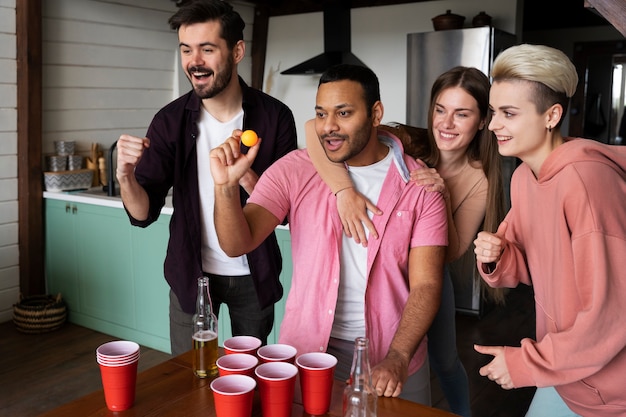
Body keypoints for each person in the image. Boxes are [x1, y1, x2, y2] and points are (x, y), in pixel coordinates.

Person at [210, 64, 448, 404]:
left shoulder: (420, 184)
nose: (329, 126)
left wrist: (398, 356)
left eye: (344, 113)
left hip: (394, 360)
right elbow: (236, 244)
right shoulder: (294, 169)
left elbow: (427, 284)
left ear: (375, 113)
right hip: (308, 357)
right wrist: (225, 187)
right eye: (321, 114)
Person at [305, 66, 506, 417]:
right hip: (383, 259)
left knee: (443, 360)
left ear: (482, 122)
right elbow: (313, 130)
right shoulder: (410, 141)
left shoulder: (480, 178)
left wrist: (440, 195)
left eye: (462, 114)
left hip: (429, 271)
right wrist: (343, 192)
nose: (447, 123)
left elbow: (453, 252)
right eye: (440, 110)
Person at [115, 0, 297, 356]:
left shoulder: (276, 118)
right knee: (190, 383)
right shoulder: (169, 122)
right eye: (186, 49)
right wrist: (124, 176)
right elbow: (142, 213)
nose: (194, 61)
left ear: (237, 51)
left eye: (207, 49)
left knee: (250, 382)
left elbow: (288, 209)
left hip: (254, 276)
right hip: (191, 276)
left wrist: (243, 178)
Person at [473, 44, 626, 417]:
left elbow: (614, 313)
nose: (493, 125)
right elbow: (528, 261)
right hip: (566, 370)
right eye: (494, 112)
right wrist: (498, 256)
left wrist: (526, 363)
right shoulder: (525, 176)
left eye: (509, 113)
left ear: (551, 115)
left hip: (610, 392)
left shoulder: (588, 182)